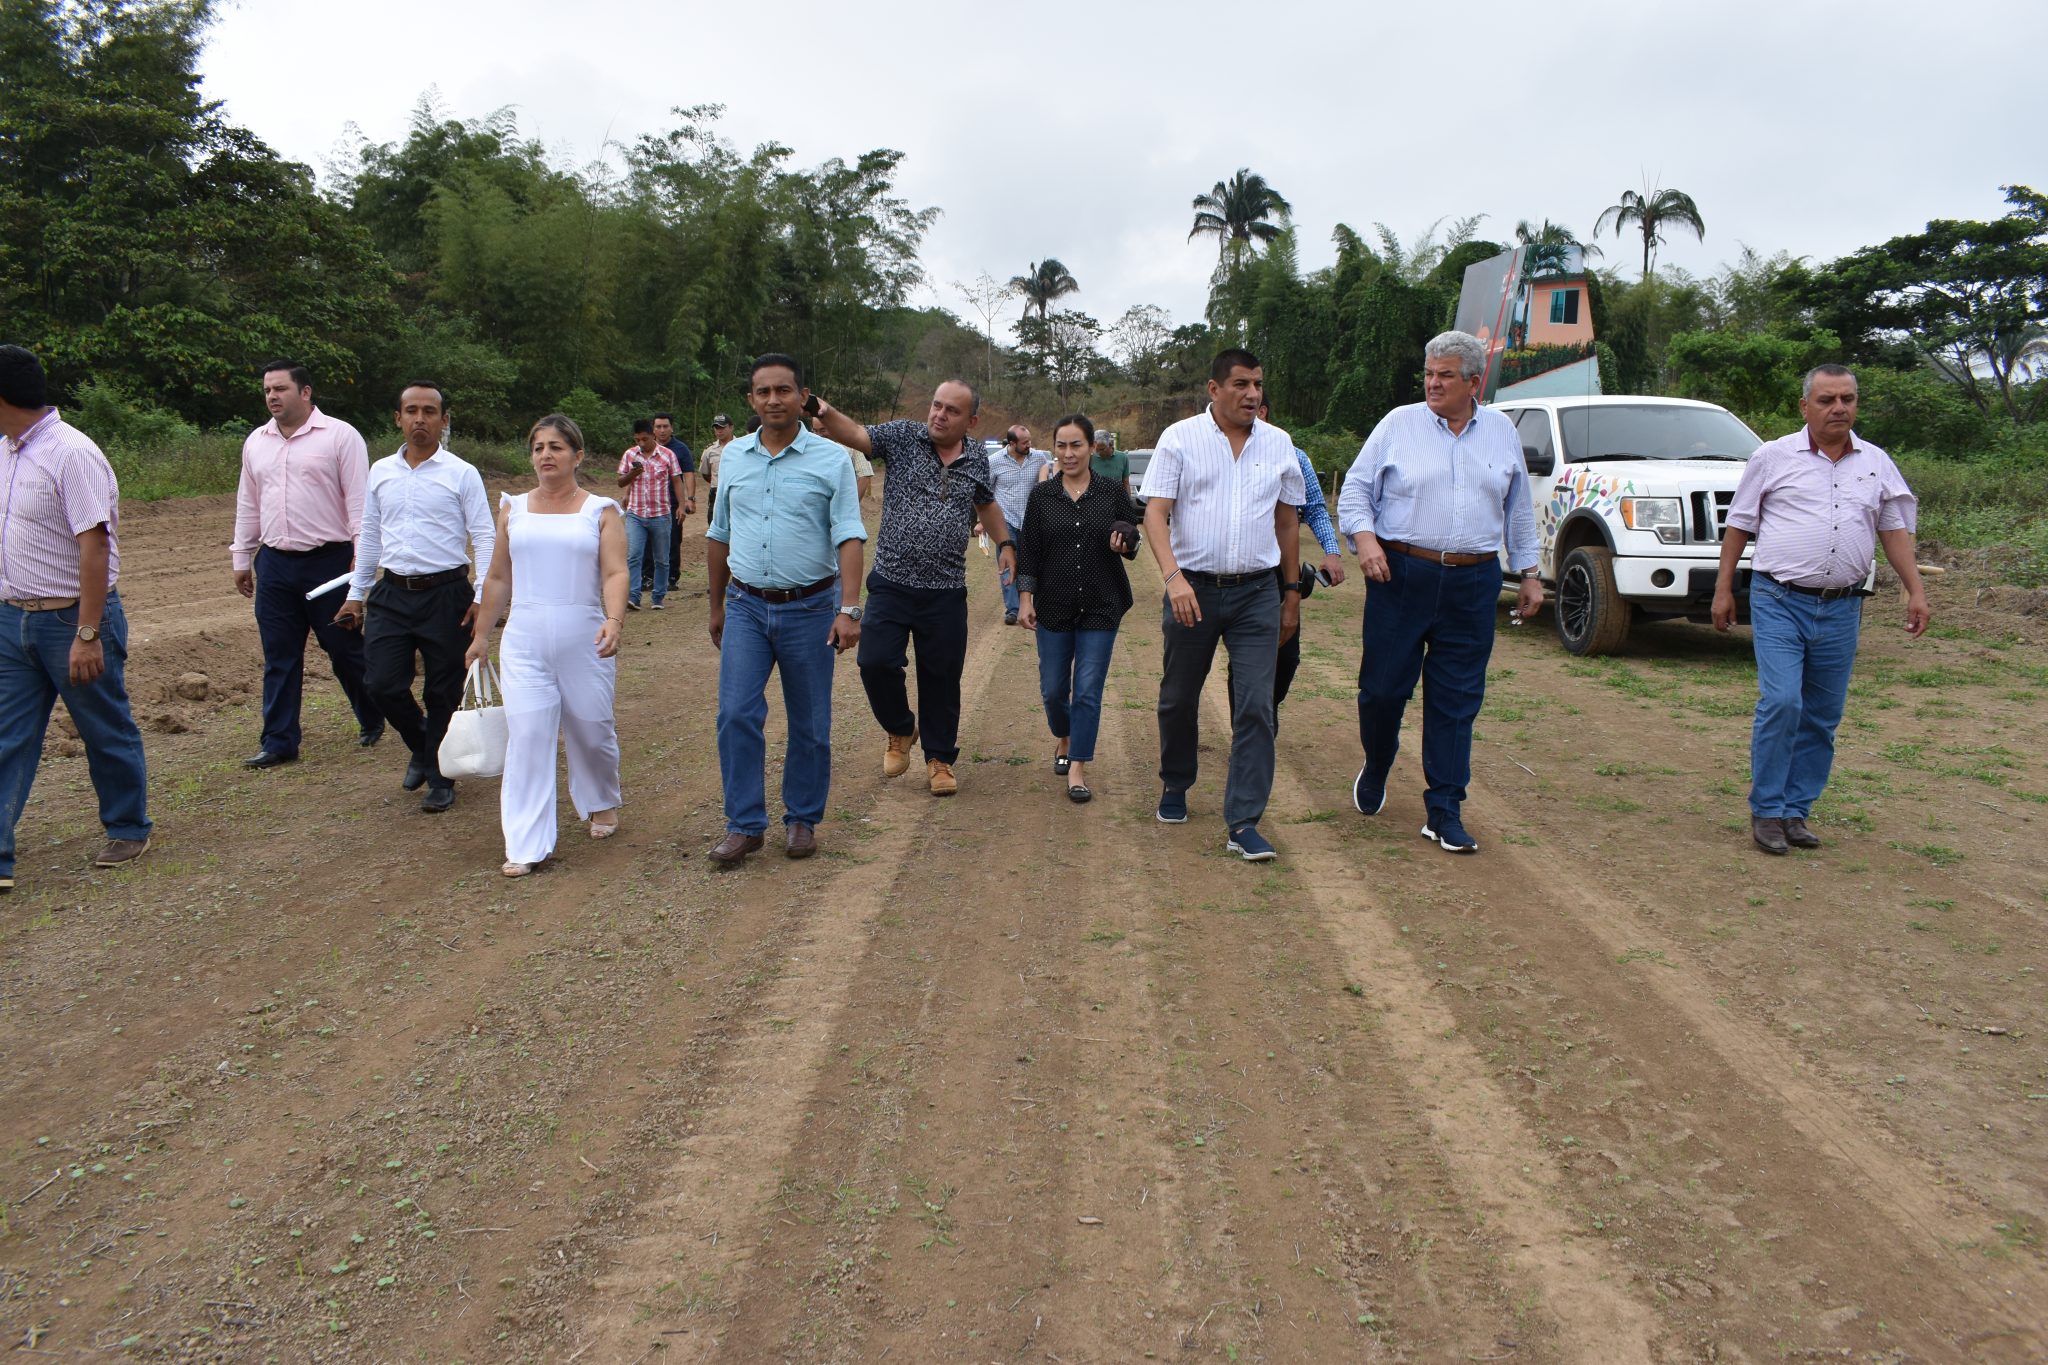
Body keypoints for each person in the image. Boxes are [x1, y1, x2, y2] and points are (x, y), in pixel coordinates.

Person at [1336, 330, 1543, 855]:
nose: (1433, 383)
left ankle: (1444, 808)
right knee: (1382, 690)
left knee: (1456, 700)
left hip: (1474, 584)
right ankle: (1379, 760)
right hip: (1400, 575)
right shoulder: (1398, 425)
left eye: (1445, 375)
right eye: (1429, 374)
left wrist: (1530, 571)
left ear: (1474, 382)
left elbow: (1518, 508)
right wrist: (1365, 540)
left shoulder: (1500, 432)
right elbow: (1357, 490)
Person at [1713, 363, 1929, 855]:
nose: (1839, 409)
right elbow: (1739, 525)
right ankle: (1766, 810)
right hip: (1778, 599)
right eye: (1828, 400)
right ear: (1804, 405)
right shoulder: (1772, 457)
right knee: (1783, 702)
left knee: (1822, 716)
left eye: (1847, 399)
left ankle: (1795, 811)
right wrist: (1723, 590)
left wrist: (1914, 589)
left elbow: (1893, 530)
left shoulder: (1875, 461)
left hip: (1841, 607)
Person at [811, 380, 1013, 797]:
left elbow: (986, 502)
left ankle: (939, 759)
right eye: (936, 405)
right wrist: (817, 407)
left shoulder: (976, 455)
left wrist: (1005, 543)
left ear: (970, 421)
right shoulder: (904, 436)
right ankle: (901, 728)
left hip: (946, 588)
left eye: (952, 411)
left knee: (942, 677)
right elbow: (857, 435)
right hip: (891, 583)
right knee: (875, 662)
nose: (939, 414)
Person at [1140, 349, 1304, 861]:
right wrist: (1174, 580)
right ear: (1214, 389)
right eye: (1240, 384)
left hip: (1258, 591)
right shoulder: (1180, 439)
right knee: (1178, 697)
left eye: (1257, 384)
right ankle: (1176, 782)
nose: (1252, 393)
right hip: (1194, 590)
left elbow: (1286, 523)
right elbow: (1156, 515)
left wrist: (1291, 593)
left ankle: (1244, 821)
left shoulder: (1280, 444)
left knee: (1257, 705)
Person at [705, 355, 867, 866]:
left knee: (811, 723)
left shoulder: (831, 459)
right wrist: (715, 605)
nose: (773, 399)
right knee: (735, 714)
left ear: (802, 397)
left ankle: (802, 820)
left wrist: (849, 610)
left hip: (812, 609)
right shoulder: (732, 457)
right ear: (751, 400)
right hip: (746, 606)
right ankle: (745, 824)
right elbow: (719, 534)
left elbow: (849, 535)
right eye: (763, 391)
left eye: (783, 390)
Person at [0, 346, 151, 893]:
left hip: (72, 620)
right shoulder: (7, 451)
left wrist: (88, 634)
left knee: (102, 727)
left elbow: (94, 546)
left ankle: (129, 826)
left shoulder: (72, 453)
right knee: (6, 735)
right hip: (12, 618)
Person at [467, 415, 629, 877]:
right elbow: (498, 576)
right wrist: (481, 637)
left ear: (577, 456)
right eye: (538, 446)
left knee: (591, 728)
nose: (545, 455)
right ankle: (526, 842)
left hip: (585, 638)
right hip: (525, 640)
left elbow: (615, 572)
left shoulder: (600, 511)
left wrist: (614, 620)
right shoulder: (512, 509)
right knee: (529, 737)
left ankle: (600, 799)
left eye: (556, 446)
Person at [335, 382, 495, 813]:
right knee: (381, 684)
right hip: (392, 591)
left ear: (444, 421)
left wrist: (482, 595)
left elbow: (484, 535)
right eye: (411, 411)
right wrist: (356, 595)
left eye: (429, 411)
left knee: (442, 691)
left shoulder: (461, 473)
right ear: (398, 418)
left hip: (447, 594)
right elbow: (369, 535)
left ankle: (441, 776)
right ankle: (424, 745)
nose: (420, 419)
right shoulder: (381, 471)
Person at [231, 359, 381, 768]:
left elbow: (359, 505)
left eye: (280, 389)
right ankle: (279, 741)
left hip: (329, 561)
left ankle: (373, 714)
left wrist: (361, 561)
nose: (272, 397)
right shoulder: (256, 442)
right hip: (275, 563)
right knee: (280, 654)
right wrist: (242, 555)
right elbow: (249, 501)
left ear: (305, 392)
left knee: (343, 646)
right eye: (267, 391)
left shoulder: (340, 437)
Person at [1017, 414, 1140, 803]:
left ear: (1091, 448)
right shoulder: (1042, 497)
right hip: (1053, 605)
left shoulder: (1110, 492)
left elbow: (1131, 533)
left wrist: (1126, 542)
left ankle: (1078, 766)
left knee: (1087, 689)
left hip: (1102, 604)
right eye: (1062, 445)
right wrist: (1025, 598)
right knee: (1054, 690)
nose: (1069, 454)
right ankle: (1064, 737)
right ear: (1054, 448)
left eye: (1076, 445)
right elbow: (1030, 550)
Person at [1228, 397, 1348, 720]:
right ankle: (1247, 727)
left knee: (1287, 656)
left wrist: (1332, 552)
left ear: (1263, 411)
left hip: (1282, 573)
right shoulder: (1224, 455)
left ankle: (1266, 709)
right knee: (1244, 655)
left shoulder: (1294, 457)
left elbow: (1315, 510)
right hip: (1239, 570)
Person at [617, 419, 684, 611]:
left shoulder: (667, 455)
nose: (641, 443)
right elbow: (621, 481)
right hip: (636, 514)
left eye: (644, 439)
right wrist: (633, 473)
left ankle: (658, 597)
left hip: (661, 514)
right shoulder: (630, 455)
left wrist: (680, 505)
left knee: (661, 558)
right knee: (634, 556)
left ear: (652, 436)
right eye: (637, 439)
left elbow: (677, 481)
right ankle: (634, 597)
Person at [988, 425, 1049, 624]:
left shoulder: (1038, 458)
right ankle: (1013, 609)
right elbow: (985, 494)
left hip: (1031, 521)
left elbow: (1050, 474)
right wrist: (982, 521)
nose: (1029, 445)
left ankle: (1033, 604)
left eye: (1030, 441)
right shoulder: (994, 462)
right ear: (1012, 443)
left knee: (1033, 563)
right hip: (1005, 521)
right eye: (1025, 442)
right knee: (1007, 563)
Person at [653, 412, 697, 596]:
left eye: (665, 426)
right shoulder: (646, 447)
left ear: (671, 428)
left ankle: (671, 578)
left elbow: (688, 474)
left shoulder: (680, 449)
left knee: (672, 540)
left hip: (672, 503)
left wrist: (690, 499)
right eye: (658, 427)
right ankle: (647, 578)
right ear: (653, 429)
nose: (662, 430)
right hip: (649, 503)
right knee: (647, 542)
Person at [701, 414, 733, 523]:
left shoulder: (741, 447)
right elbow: (706, 474)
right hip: (716, 492)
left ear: (731, 427)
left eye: (722, 427)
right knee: (713, 523)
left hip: (735, 491)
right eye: (717, 428)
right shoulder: (709, 450)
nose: (719, 431)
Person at [1091, 429, 1131, 498]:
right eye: (1096, 449)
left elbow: (1126, 482)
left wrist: (1128, 502)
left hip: (1117, 501)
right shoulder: (1090, 458)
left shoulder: (1123, 457)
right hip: (1096, 501)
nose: (1098, 453)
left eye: (1101, 449)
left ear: (1110, 444)